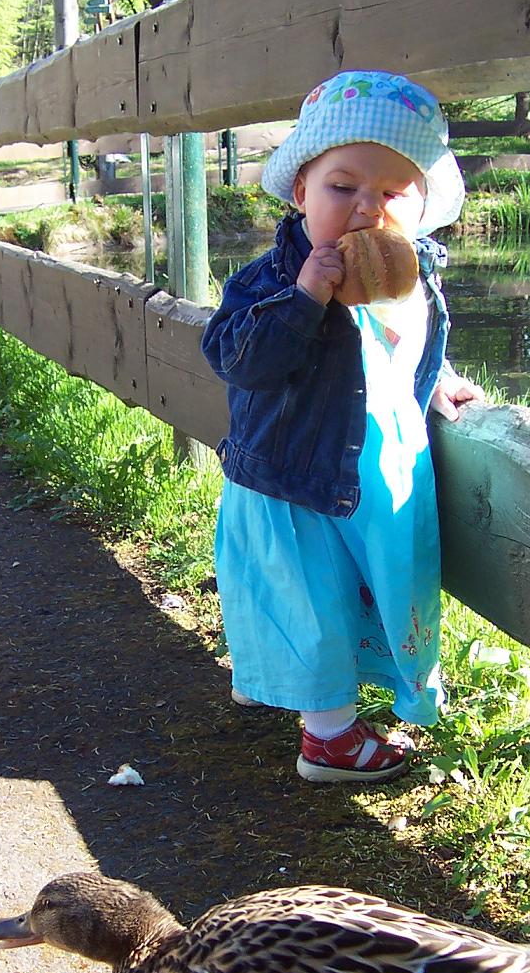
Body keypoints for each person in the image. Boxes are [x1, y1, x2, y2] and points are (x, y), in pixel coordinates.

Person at [201, 70, 483, 784]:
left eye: (392, 193)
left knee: (373, 584)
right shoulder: (272, 278)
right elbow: (237, 360)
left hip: (377, 471)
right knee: (309, 599)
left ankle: (299, 685)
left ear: (422, 205)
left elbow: (402, 343)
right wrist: (304, 298)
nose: (367, 209)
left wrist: (436, 377)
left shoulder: (409, 273)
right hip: (292, 476)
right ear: (301, 192)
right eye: (342, 187)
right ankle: (327, 738)